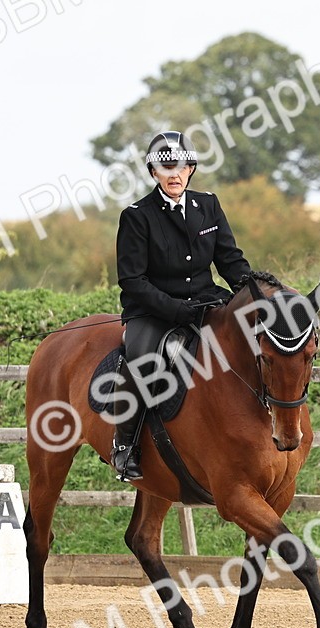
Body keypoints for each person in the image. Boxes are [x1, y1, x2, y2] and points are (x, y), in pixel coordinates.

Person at [110, 130, 252, 481]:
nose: (174, 174)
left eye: (181, 167)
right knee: (141, 357)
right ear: (154, 172)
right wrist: (174, 309)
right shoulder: (137, 215)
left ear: (191, 169)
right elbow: (132, 280)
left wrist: (254, 294)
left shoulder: (209, 205)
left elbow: (230, 261)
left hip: (205, 300)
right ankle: (124, 446)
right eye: (166, 168)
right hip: (152, 309)